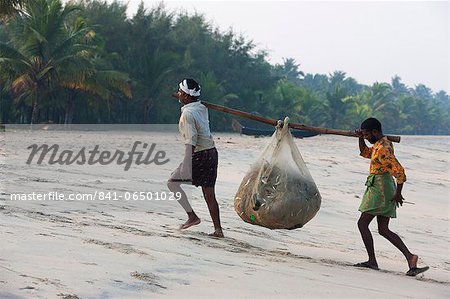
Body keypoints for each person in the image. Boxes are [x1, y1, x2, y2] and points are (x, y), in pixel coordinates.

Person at [354, 117, 428, 276]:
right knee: (383, 229)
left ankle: (372, 261)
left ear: (375, 132)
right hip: (382, 187)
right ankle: (411, 258)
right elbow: (365, 152)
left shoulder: (383, 148)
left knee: (362, 224)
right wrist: (360, 138)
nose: (366, 137)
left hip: (380, 189)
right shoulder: (379, 145)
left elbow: (399, 172)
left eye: (367, 135)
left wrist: (398, 193)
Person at [167, 78, 224, 238]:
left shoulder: (187, 113)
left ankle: (192, 216)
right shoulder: (201, 107)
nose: (178, 94)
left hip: (200, 153)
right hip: (211, 152)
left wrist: (186, 163)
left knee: (172, 183)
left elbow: (191, 140)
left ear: (186, 96)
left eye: (180, 92)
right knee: (209, 192)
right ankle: (218, 230)